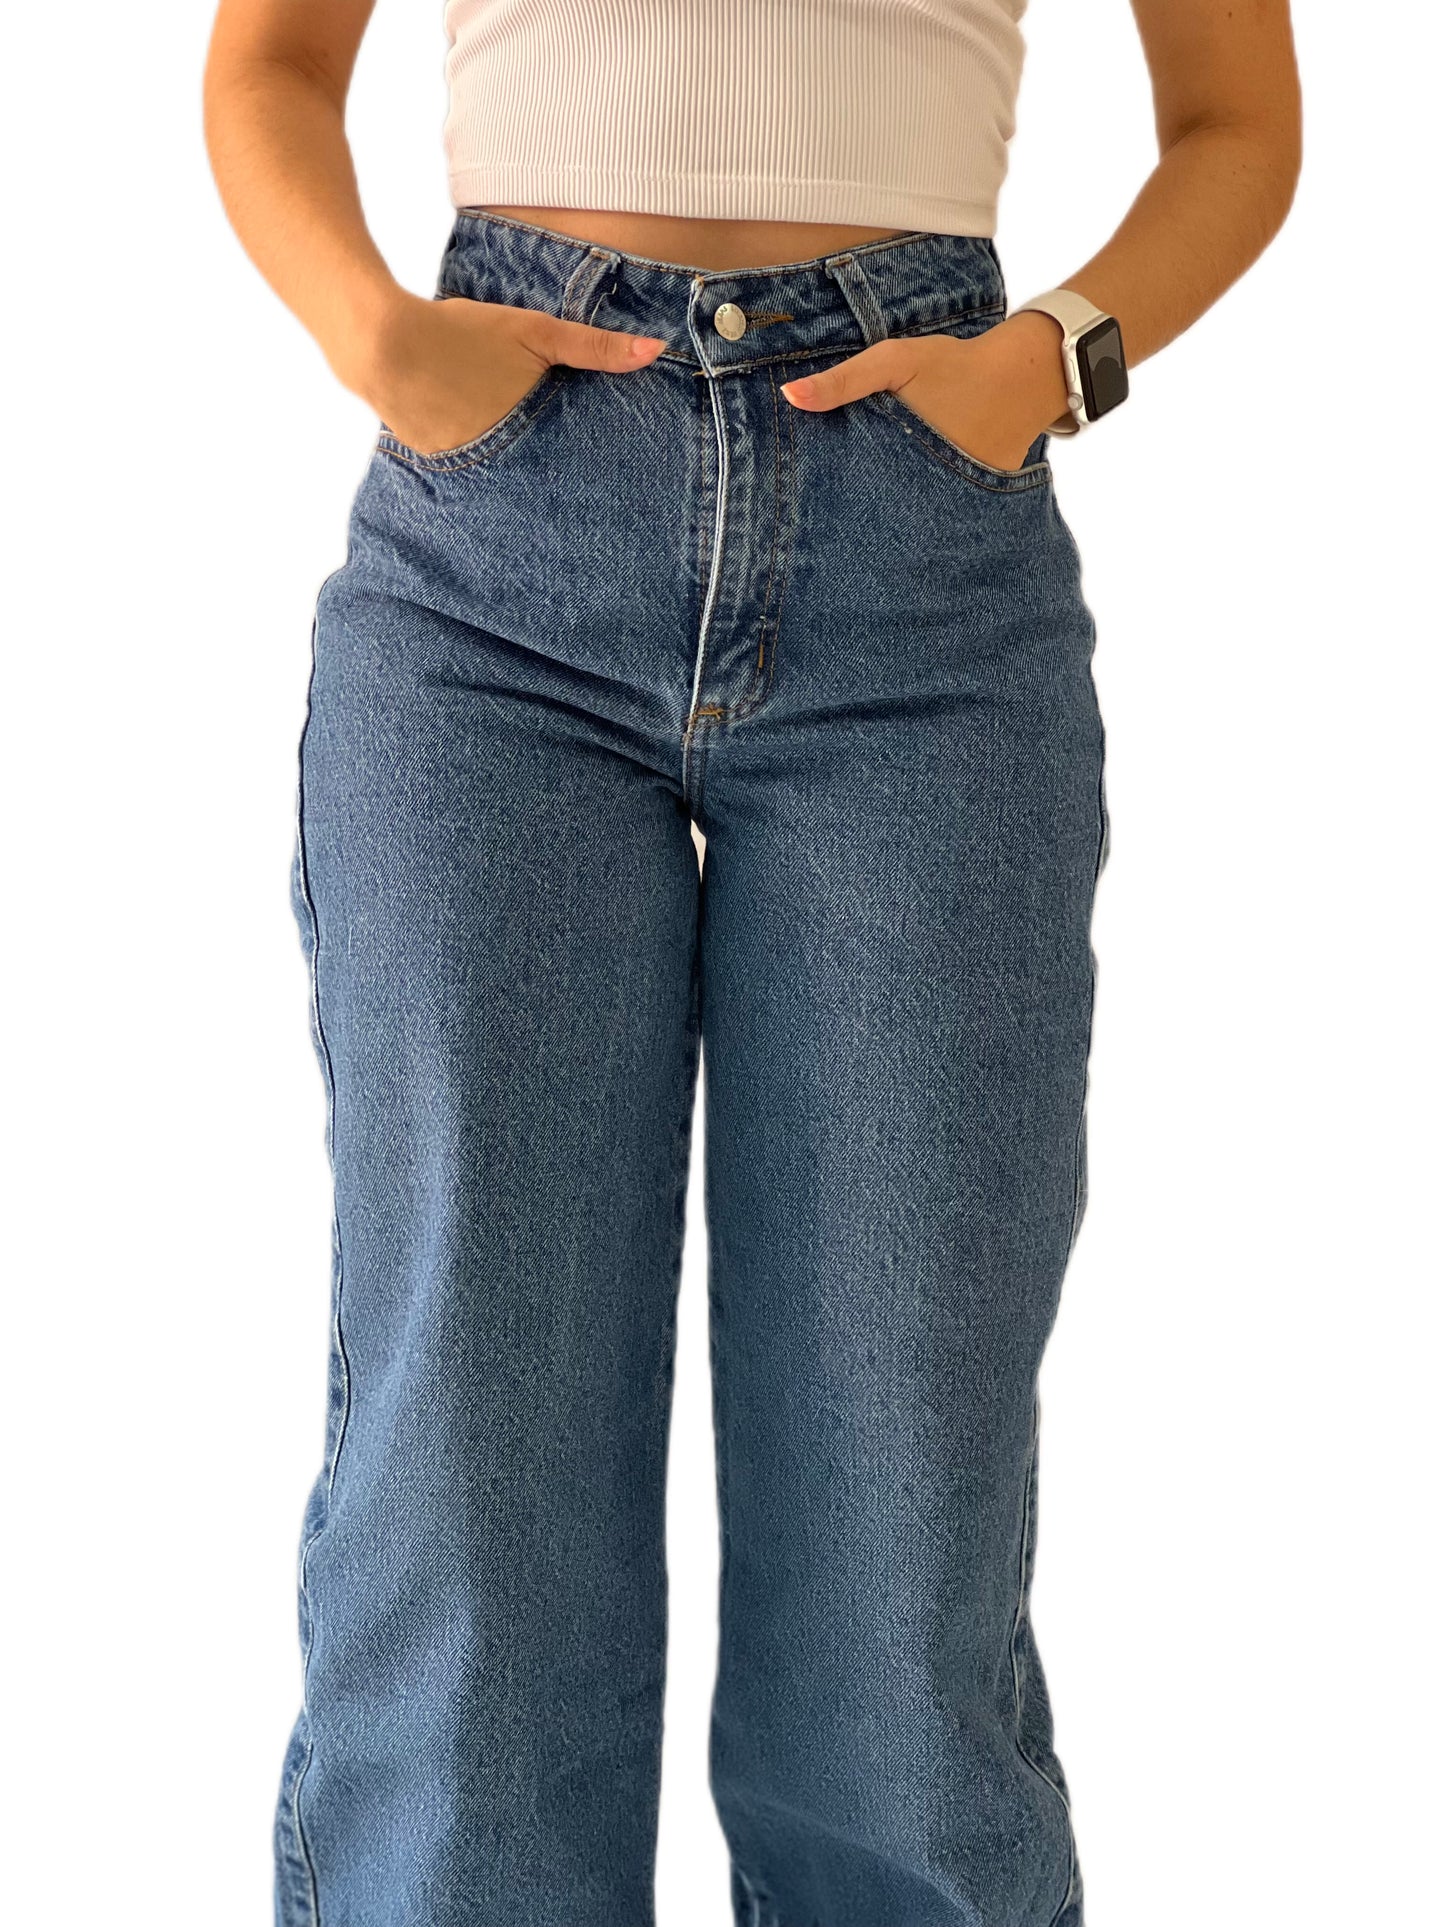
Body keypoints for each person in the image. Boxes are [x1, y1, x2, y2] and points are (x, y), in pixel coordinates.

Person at [203, 4, 1301, 1922]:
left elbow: (1234, 120)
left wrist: (1047, 360)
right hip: (496, 561)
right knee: (470, 1440)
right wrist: (373, 333)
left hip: (921, 566)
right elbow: (268, 63)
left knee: (900, 1444)